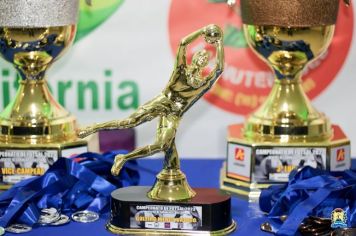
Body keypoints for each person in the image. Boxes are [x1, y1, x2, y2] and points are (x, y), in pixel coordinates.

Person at [78, 24, 224, 176]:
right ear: (194, 57)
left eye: (206, 58)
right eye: (200, 55)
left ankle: (124, 158)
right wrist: (201, 31)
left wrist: (219, 43)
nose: (203, 58)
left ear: (206, 64)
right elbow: (183, 43)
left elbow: (219, 69)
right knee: (129, 122)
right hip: (163, 101)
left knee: (161, 145)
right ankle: (94, 128)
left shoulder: (201, 85)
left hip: (174, 113)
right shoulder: (181, 69)